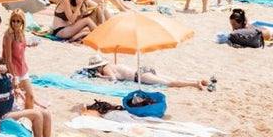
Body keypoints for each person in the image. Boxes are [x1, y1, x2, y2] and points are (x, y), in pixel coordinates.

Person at [81, 54, 215, 90]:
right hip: (142, 70)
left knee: (169, 83)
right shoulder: (110, 64)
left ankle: (194, 84)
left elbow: (112, 79)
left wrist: (100, 77)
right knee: (171, 78)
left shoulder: (105, 68)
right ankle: (199, 80)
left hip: (139, 76)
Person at [1, 9, 37, 110]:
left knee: (30, 96)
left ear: (22, 22)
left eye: (18, 21)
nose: (15, 23)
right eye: (13, 21)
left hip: (22, 68)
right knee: (14, 102)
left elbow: (21, 46)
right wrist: (13, 77)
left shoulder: (21, 33)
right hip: (13, 70)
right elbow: (8, 59)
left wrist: (29, 44)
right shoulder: (8, 36)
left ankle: (29, 118)